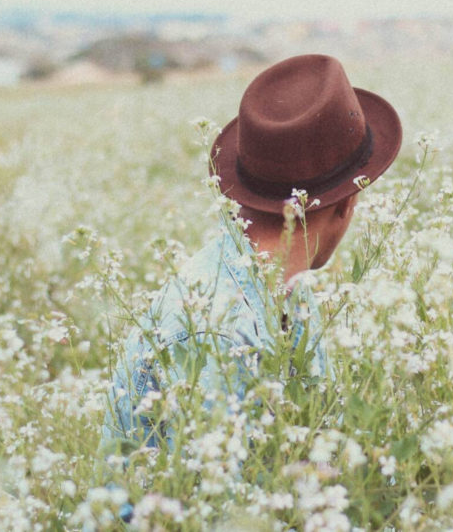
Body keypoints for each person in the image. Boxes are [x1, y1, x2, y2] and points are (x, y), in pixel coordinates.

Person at [100, 54, 403, 519]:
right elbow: (230, 515)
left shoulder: (285, 286)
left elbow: (310, 457)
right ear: (348, 204)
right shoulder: (217, 329)